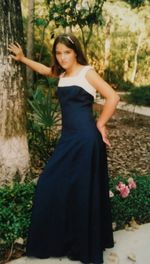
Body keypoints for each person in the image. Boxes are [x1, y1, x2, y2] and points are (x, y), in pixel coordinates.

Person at [8, 33, 120, 264]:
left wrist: (100, 123)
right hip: (69, 139)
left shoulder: (86, 72)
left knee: (81, 191)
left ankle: (82, 245)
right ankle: (65, 240)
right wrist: (22, 58)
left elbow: (113, 97)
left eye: (66, 52)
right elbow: (43, 70)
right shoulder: (61, 72)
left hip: (86, 140)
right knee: (51, 184)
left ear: (75, 51)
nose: (62, 57)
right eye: (58, 53)